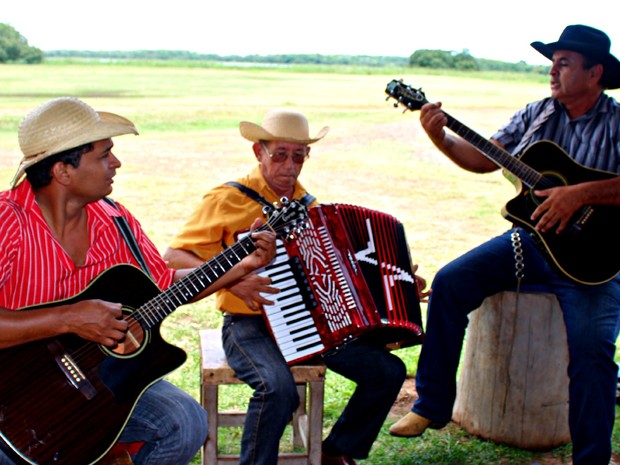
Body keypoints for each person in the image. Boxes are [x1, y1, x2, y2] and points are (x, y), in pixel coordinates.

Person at [388, 24, 620, 465]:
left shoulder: (616, 122)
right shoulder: (536, 113)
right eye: (552, 62)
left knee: (593, 350)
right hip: (530, 243)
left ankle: (591, 458)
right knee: (451, 282)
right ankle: (431, 406)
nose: (553, 71)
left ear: (595, 73)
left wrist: (581, 193)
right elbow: (481, 158)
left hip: (596, 259)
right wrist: (440, 137)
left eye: (564, 63)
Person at [0, 97, 276, 465]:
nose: (116, 163)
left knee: (185, 422)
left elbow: (164, 286)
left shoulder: (115, 220)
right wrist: (68, 318)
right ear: (63, 171)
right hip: (11, 391)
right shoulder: (8, 222)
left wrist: (241, 265)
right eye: (104, 154)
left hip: (92, 383)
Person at [164, 109, 424, 465]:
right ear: (259, 152)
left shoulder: (311, 208)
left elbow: (343, 272)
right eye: (279, 154)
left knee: (387, 371)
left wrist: (397, 284)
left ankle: (337, 451)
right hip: (248, 324)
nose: (289, 165)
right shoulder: (226, 198)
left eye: (298, 156)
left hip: (311, 327)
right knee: (277, 388)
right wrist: (236, 280)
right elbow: (174, 257)